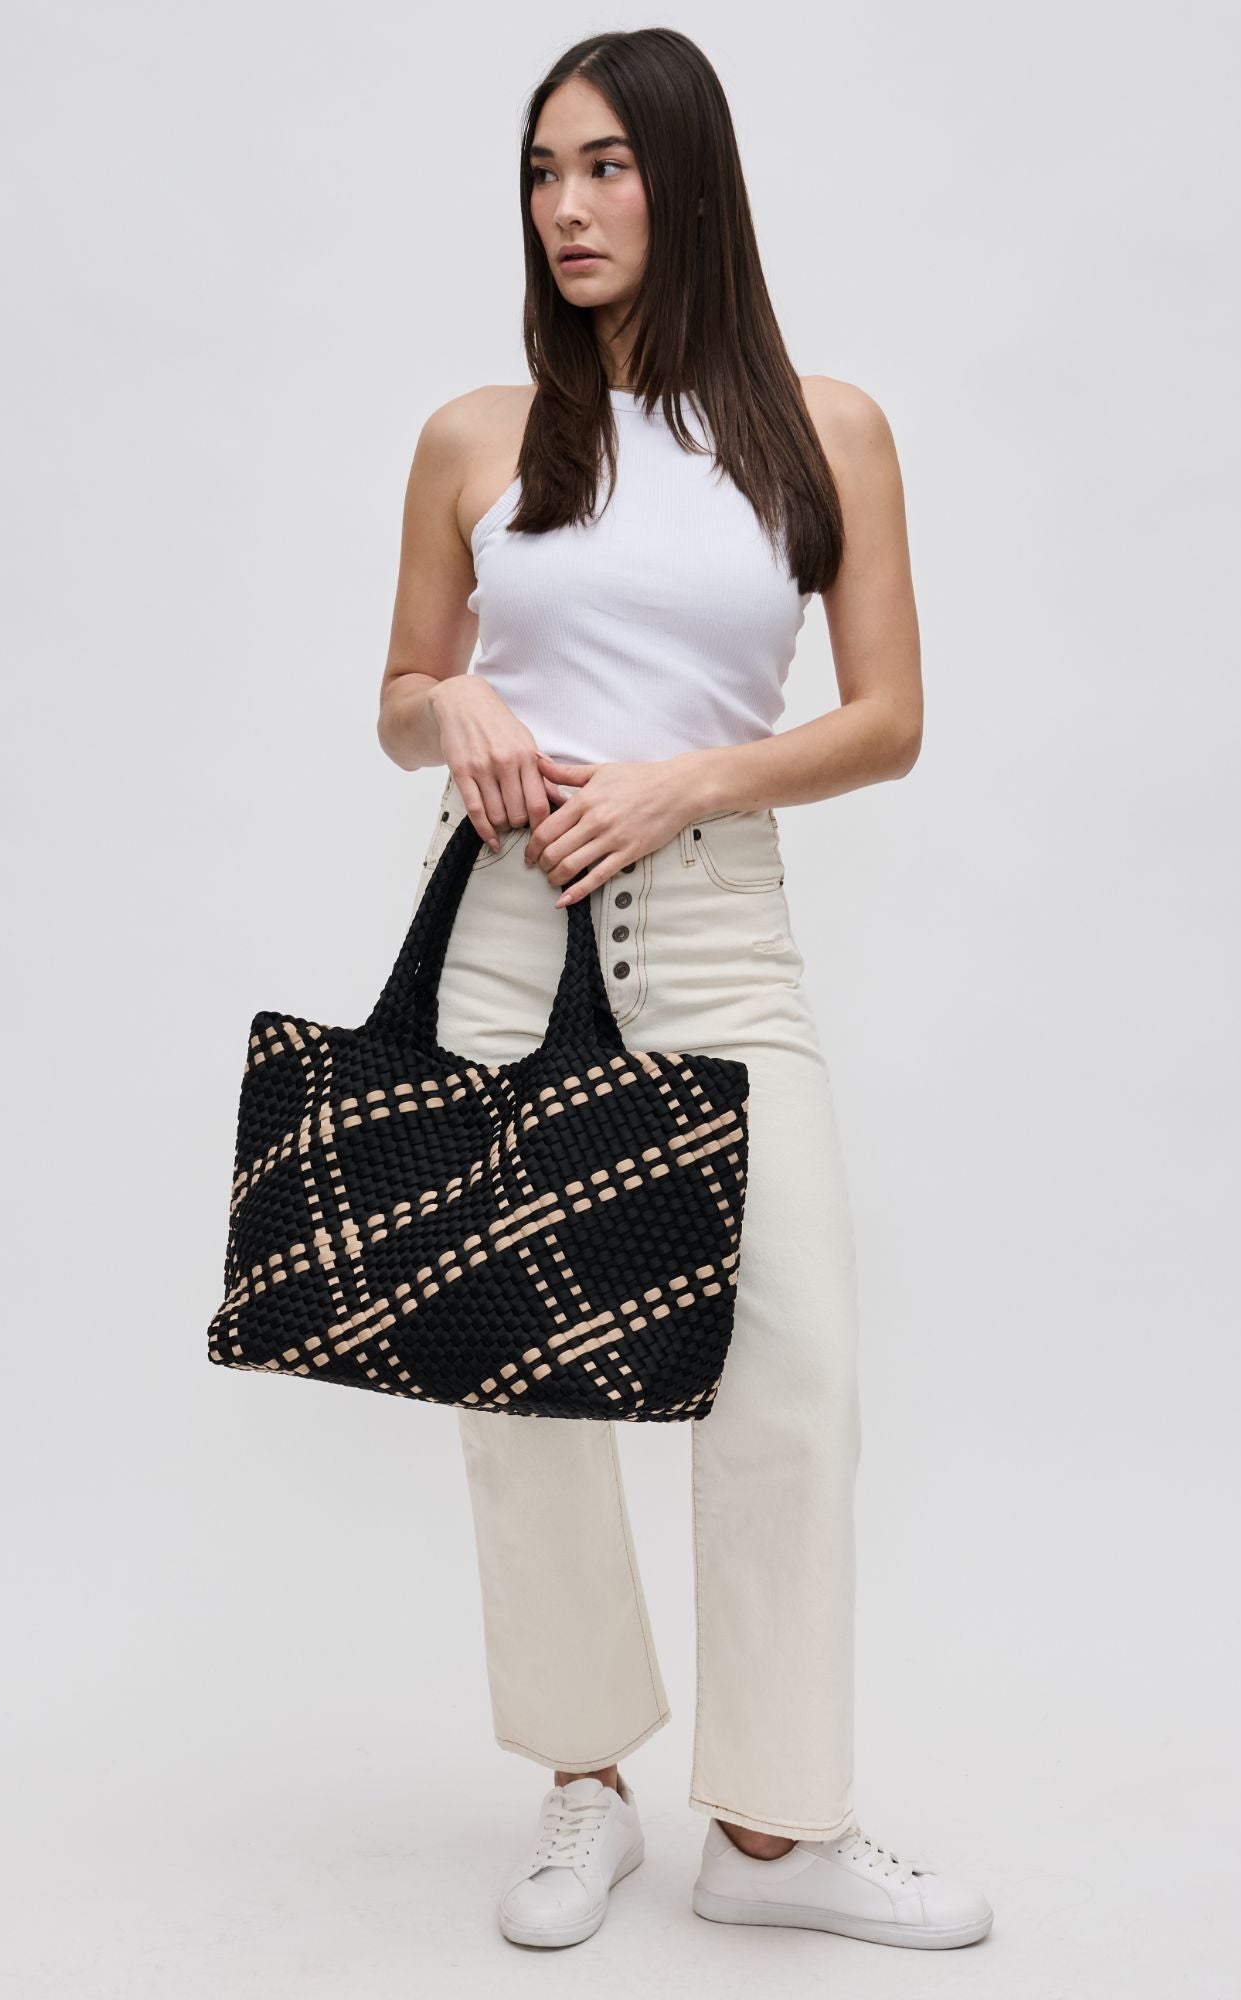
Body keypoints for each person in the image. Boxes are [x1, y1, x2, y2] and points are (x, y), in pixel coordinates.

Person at [374, 28, 992, 1954]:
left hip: (721, 928)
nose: (564, 208)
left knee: (794, 1370)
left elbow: (888, 719)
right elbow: (398, 699)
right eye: (541, 172)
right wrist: (455, 706)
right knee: (524, 1382)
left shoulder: (827, 429)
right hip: (509, 926)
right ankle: (586, 1786)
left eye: (605, 168)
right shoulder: (478, 436)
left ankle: (777, 1835)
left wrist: (691, 781)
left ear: (688, 178)